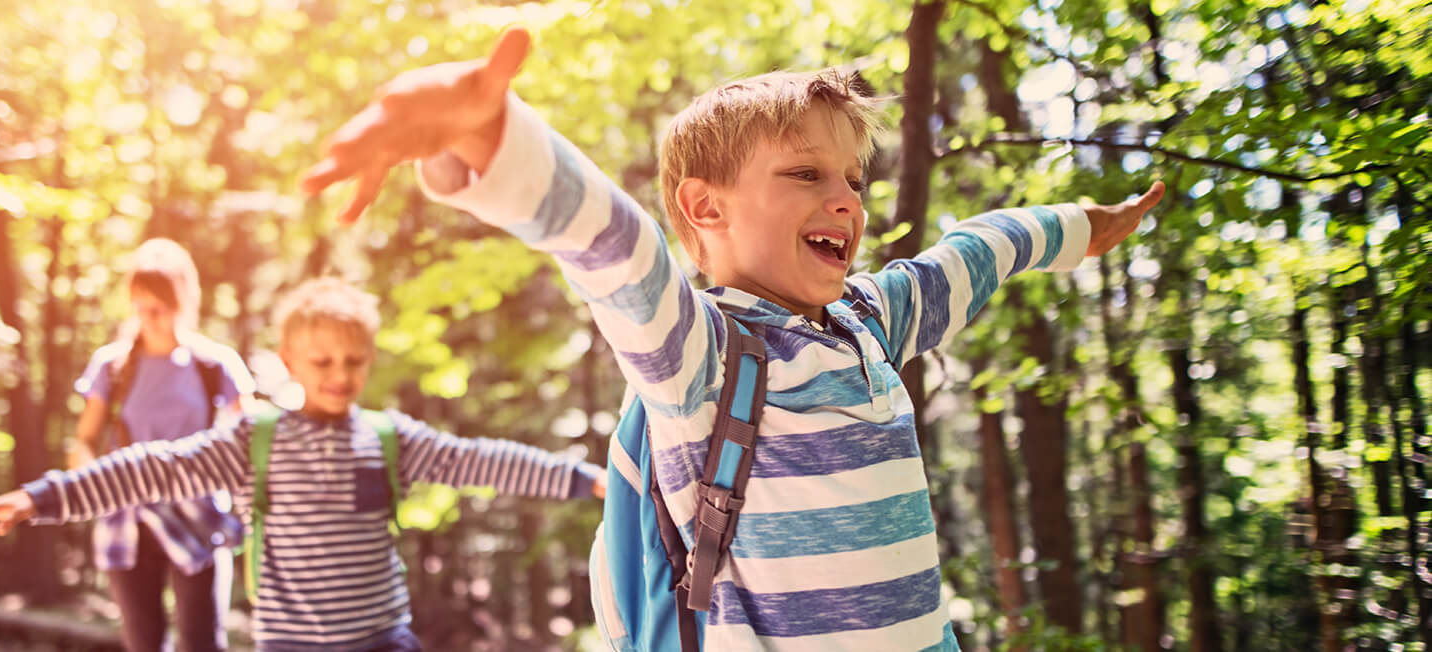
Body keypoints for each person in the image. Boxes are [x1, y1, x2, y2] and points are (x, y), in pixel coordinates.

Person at [300, 28, 1163, 651]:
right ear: (706, 208)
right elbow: (614, 246)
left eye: (852, 180)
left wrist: (1084, 226)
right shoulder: (699, 356)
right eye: (805, 174)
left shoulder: (872, 318)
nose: (847, 201)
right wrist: (492, 140)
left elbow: (979, 250)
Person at [0, 276, 606, 651]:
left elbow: (481, 462)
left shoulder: (387, 439)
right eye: (321, 362)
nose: (339, 375)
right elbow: (150, 468)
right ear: (289, 363)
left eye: (353, 362)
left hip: (384, 640)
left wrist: (585, 479)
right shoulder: (251, 442)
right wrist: (44, 497)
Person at [69, 237, 254, 652]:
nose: (149, 318)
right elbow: (84, 439)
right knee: (143, 641)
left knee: (202, 641)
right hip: (128, 522)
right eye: (140, 308)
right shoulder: (111, 366)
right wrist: (87, 481)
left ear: (183, 302)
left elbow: (253, 436)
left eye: (160, 308)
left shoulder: (215, 365)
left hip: (200, 518)